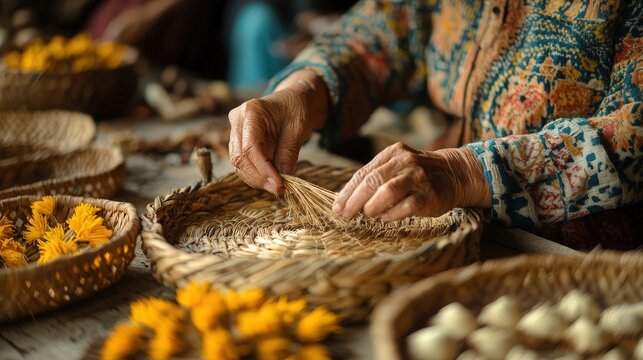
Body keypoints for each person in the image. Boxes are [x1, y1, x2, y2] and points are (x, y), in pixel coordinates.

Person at [228, 0, 643, 249]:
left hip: (579, 257)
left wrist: (464, 172)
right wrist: (303, 88)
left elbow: (632, 135)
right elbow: (379, 32)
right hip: (440, 222)